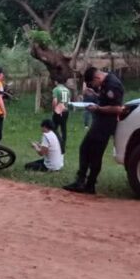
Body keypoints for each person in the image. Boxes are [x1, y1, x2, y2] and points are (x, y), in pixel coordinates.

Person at [63, 66, 124, 194]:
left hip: (105, 124)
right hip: (99, 122)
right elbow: (105, 100)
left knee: (93, 152)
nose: (94, 86)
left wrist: (98, 109)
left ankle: (87, 184)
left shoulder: (113, 85)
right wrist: (95, 95)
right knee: (87, 149)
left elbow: (118, 108)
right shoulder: (106, 82)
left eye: (92, 83)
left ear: (97, 78)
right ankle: (84, 182)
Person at [51, 78, 71, 152]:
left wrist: (54, 109)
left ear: (56, 82)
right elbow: (69, 101)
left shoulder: (56, 89)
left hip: (59, 110)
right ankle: (63, 144)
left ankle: (56, 143)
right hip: (65, 110)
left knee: (54, 127)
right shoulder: (67, 90)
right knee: (63, 128)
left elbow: (55, 100)